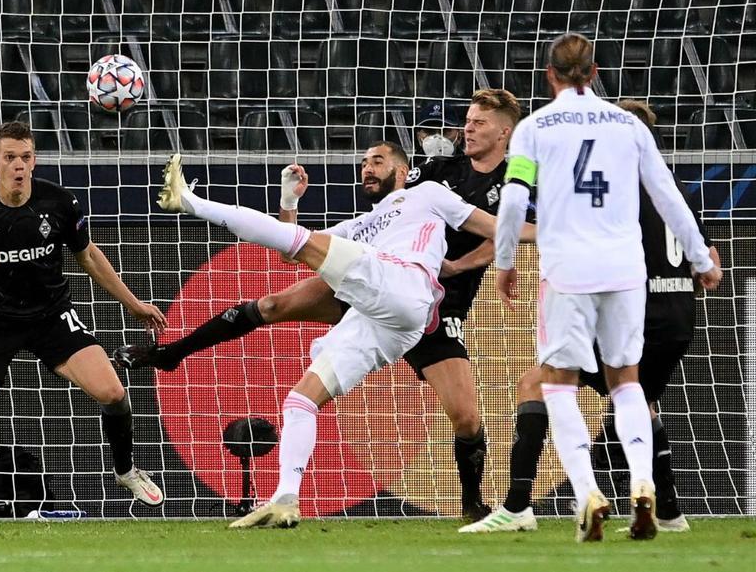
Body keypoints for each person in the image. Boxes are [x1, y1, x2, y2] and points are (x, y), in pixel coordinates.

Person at [116, 89, 525, 520]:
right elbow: (293, 248)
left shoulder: (448, 191)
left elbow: (505, 230)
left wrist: (460, 265)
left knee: (465, 417)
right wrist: (289, 203)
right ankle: (282, 495)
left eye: (377, 162)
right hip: (377, 297)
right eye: (364, 163)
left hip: (426, 298)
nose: (467, 128)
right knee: (285, 343)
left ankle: (473, 504)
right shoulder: (406, 195)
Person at [493, 34, 721, 542]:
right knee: (627, 383)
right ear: (594, 72)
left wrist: (505, 261)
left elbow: (512, 203)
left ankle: (586, 494)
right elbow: (666, 194)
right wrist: (702, 259)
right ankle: (643, 482)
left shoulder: (533, 128)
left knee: (558, 382)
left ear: (550, 75)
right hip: (624, 271)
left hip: (567, 270)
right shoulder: (628, 126)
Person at [0, 121, 168, 525]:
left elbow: (88, 257)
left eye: (26, 157)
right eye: (10, 158)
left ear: (33, 161)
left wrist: (133, 303)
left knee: (113, 392)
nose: (19, 165)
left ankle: (125, 470)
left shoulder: (60, 203)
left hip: (51, 316)